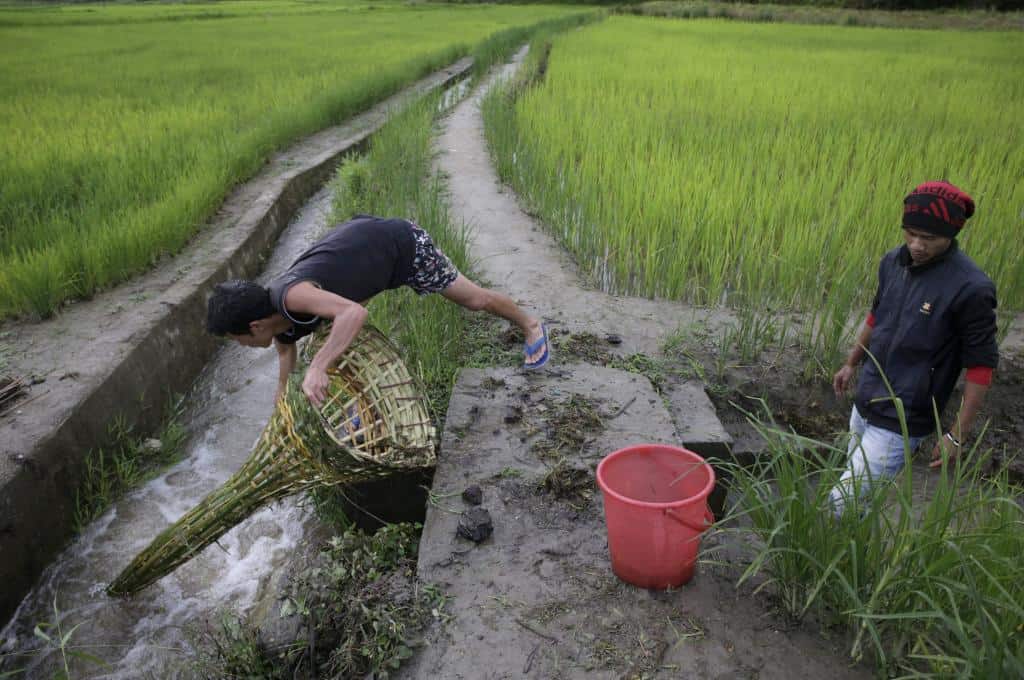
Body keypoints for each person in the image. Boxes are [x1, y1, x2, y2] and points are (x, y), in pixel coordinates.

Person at [206, 214, 549, 406]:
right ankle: (359, 410)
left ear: (254, 326)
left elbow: (354, 314)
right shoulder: (282, 329)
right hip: (370, 262)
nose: (242, 346)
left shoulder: (291, 296)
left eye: (237, 340)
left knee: (475, 301)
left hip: (403, 248)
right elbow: (285, 359)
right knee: (333, 345)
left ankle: (531, 325)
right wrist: (281, 407)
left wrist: (318, 367)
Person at [830, 181, 998, 514]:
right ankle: (859, 555)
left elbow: (980, 366)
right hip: (866, 398)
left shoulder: (970, 288)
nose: (917, 245)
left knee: (842, 502)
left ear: (951, 233)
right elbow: (878, 314)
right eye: (911, 234)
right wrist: (851, 362)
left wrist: (957, 435)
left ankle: (841, 557)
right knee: (857, 497)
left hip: (905, 416)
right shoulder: (894, 261)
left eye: (929, 239)